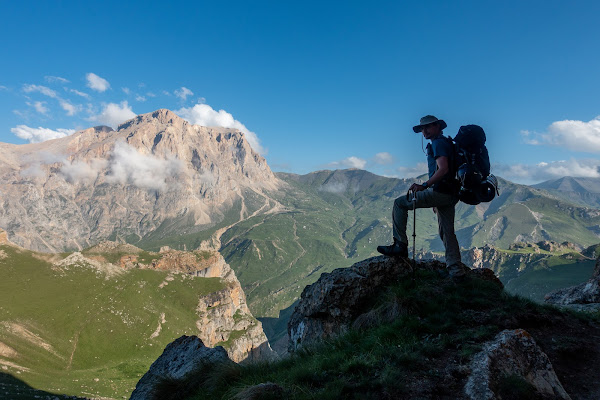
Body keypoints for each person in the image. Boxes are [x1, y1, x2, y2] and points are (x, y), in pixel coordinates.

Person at [377, 115, 466, 278]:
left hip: (441, 192)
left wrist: (425, 185)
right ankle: (456, 271)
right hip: (450, 193)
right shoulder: (446, 142)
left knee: (399, 203)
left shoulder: (438, 143)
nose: (424, 131)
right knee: (447, 232)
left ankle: (400, 245)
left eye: (428, 127)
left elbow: (443, 169)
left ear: (438, 127)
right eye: (422, 129)